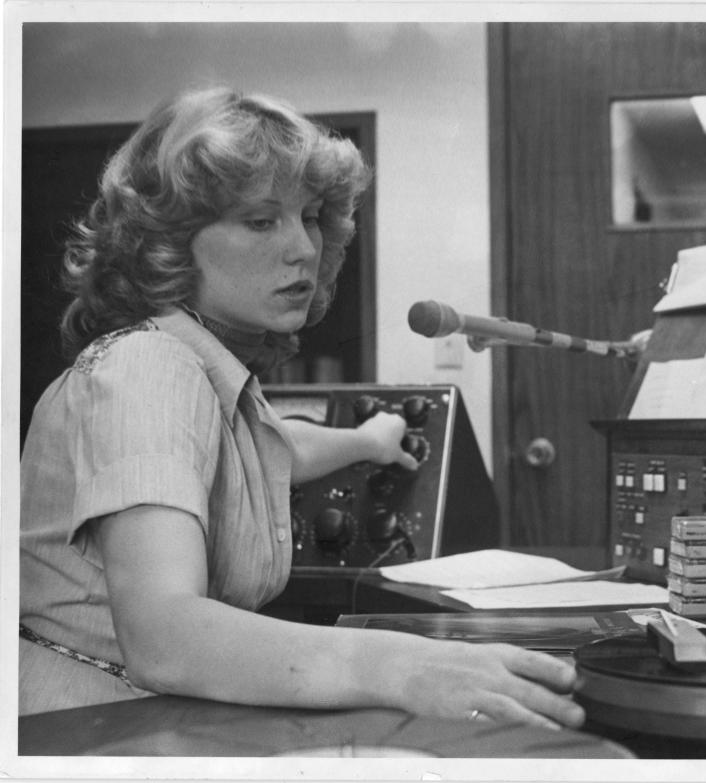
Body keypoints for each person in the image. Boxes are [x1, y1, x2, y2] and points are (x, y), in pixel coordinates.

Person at [19, 86, 585, 732]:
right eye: (261, 221)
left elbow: (269, 448)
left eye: (311, 216)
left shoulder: (200, 368)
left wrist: (369, 440)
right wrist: (401, 665)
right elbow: (163, 634)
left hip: (133, 715)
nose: (303, 249)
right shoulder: (147, 367)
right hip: (81, 727)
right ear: (168, 243)